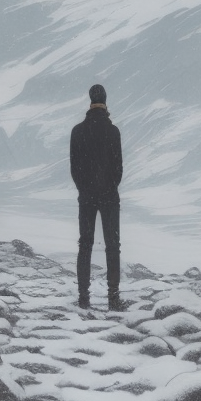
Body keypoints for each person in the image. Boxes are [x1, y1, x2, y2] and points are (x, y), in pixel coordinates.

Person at [70, 84, 128, 311]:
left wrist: (84, 188)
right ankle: (113, 298)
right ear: (105, 101)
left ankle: (83, 297)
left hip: (86, 195)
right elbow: (118, 167)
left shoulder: (78, 131)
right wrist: (109, 186)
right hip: (109, 196)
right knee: (113, 246)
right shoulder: (113, 132)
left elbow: (74, 167)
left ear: (90, 101)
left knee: (85, 244)